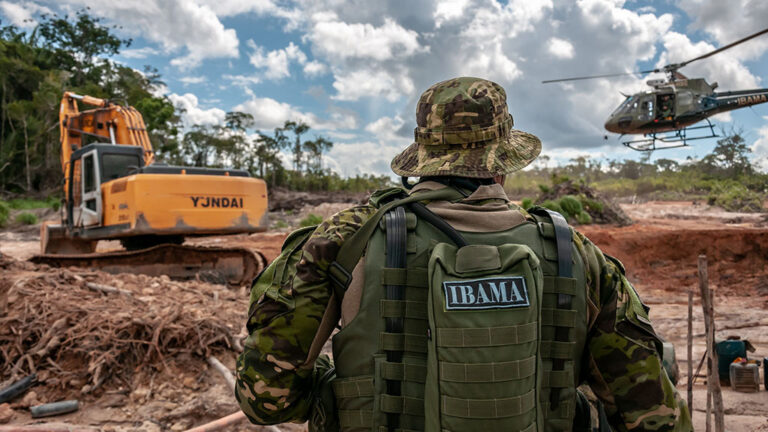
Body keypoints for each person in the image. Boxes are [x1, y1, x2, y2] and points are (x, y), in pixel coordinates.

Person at [236, 77, 692, 432]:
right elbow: (652, 414)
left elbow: (266, 399)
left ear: (423, 154)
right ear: (503, 160)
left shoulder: (345, 240)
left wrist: (344, 390)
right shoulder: (575, 252)